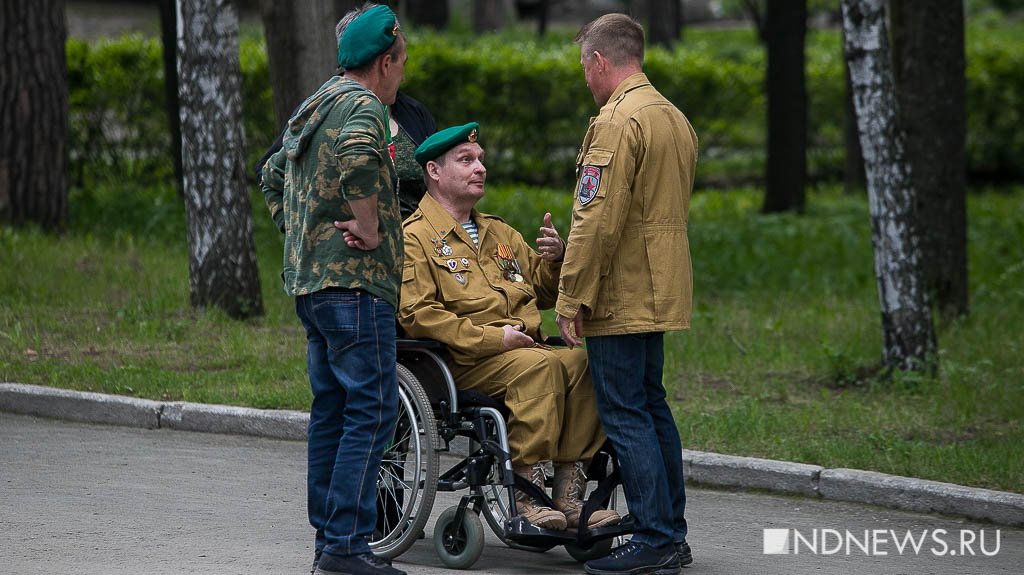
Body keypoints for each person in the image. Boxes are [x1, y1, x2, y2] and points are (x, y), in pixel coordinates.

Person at [397, 122, 621, 532]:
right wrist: (493, 338)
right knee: (542, 367)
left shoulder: (498, 232)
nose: (479, 167)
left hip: (521, 349)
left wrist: (556, 260)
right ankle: (526, 494)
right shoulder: (415, 238)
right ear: (434, 171)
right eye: (466, 160)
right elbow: (418, 314)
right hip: (463, 358)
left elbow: (541, 290)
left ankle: (568, 495)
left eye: (480, 159)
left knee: (587, 364)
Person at [260, 5, 409, 575]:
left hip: (312, 286)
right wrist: (367, 226)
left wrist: (302, 231)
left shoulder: (315, 103)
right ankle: (347, 546)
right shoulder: (364, 105)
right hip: (354, 285)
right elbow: (357, 157)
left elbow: (273, 173)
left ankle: (329, 542)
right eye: (401, 64)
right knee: (370, 412)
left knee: (332, 410)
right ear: (384, 62)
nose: (402, 77)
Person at [554, 13, 698, 575]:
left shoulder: (617, 121)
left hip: (621, 288)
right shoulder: (672, 115)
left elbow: (598, 220)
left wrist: (572, 295)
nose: (585, 79)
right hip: (661, 286)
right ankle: (670, 532)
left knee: (625, 411)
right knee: (652, 405)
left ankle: (654, 537)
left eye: (584, 67)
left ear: (599, 62)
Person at [254, 4, 436, 221]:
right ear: (384, 63)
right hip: (363, 250)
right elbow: (271, 173)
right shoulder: (320, 111)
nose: (403, 76)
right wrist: (311, 233)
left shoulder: (413, 112)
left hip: (419, 248)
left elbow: (439, 174)